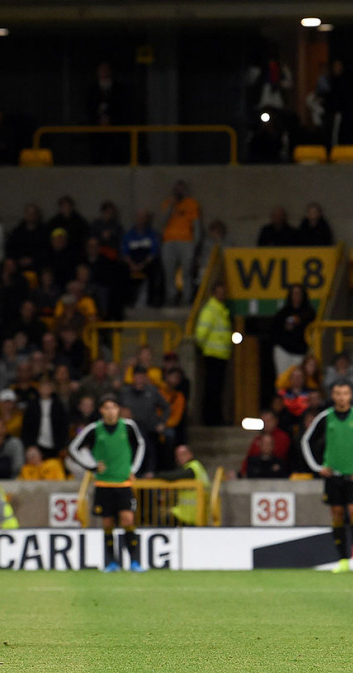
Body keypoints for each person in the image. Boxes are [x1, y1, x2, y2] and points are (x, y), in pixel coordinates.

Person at [301, 380, 353, 573]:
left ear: (350, 396)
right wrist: (317, 467)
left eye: (345, 393)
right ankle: (343, 559)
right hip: (333, 476)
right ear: (332, 396)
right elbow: (306, 440)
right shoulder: (325, 417)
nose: (341, 397)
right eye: (338, 393)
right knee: (337, 515)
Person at [67, 394, 146, 572]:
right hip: (103, 483)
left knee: (128, 519)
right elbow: (73, 448)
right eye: (107, 408)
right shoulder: (94, 429)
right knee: (108, 522)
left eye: (114, 407)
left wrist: (134, 468)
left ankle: (134, 560)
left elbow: (141, 444)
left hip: (123, 482)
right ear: (101, 410)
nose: (110, 411)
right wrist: (91, 466)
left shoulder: (128, 426)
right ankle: (111, 561)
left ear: (118, 410)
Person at [195, 282, 232, 425]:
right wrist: (205, 349)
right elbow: (201, 334)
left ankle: (216, 418)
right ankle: (210, 419)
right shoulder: (210, 310)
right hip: (212, 355)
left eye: (223, 292)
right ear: (213, 293)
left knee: (218, 390)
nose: (221, 295)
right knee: (212, 389)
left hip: (221, 355)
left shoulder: (221, 310)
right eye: (219, 292)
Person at [160, 180, 202, 306]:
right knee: (169, 272)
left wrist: (195, 243)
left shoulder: (191, 204)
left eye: (181, 189)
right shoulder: (167, 203)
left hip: (186, 242)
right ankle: (171, 298)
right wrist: (170, 208)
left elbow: (196, 224)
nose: (178, 191)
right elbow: (162, 223)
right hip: (169, 242)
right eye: (177, 189)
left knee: (187, 272)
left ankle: (187, 298)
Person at [157, 445, 211, 525]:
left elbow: (175, 476)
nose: (179, 458)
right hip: (190, 513)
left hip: (189, 514)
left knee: (161, 522)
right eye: (177, 455)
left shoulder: (193, 468)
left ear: (190, 454)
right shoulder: (197, 467)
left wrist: (156, 475)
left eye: (182, 454)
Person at [271, 284, 315, 378]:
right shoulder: (283, 313)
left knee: (299, 377)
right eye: (294, 294)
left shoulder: (309, 313)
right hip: (284, 351)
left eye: (298, 293)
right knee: (283, 378)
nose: (296, 296)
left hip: (300, 352)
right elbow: (275, 330)